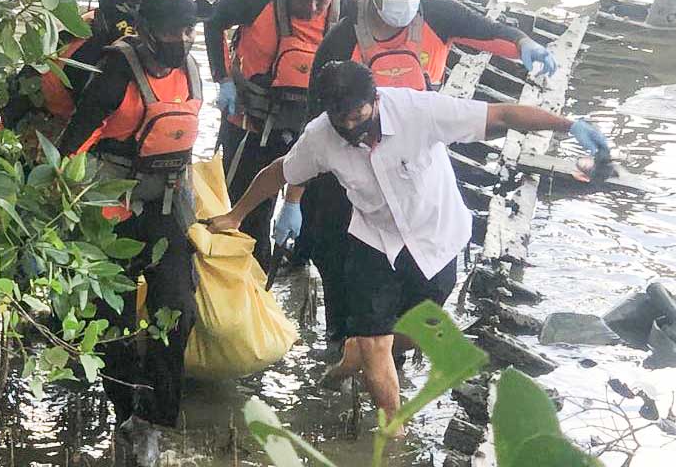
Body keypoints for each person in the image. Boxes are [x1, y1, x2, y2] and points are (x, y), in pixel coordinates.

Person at [206, 60, 609, 425]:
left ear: (375, 99)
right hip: (374, 241)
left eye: (358, 115)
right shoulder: (321, 136)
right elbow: (282, 171)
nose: (351, 127)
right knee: (376, 342)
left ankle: (354, 356)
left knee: (413, 333)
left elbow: (501, 114)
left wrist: (568, 126)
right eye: (340, 120)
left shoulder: (420, 111)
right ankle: (393, 432)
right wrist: (236, 215)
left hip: (437, 240)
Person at [291, 0, 560, 350]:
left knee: (420, 278)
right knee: (341, 269)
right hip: (351, 168)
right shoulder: (341, 42)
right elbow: (317, 126)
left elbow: (492, 35)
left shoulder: (434, 15)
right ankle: (343, 347)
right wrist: (296, 202)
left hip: (413, 156)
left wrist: (524, 45)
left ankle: (387, 354)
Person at [58, 0, 204, 429]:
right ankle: (125, 410)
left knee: (178, 310)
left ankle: (161, 418)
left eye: (188, 30)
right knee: (113, 322)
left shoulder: (192, 70)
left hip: (168, 208)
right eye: (170, 31)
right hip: (112, 214)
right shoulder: (115, 72)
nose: (180, 40)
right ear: (145, 31)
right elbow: (72, 147)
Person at [204, 0, 357, 267]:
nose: (312, 7)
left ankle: (294, 265)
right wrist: (223, 79)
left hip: (313, 127)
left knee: (312, 219)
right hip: (252, 123)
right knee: (246, 214)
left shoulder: (348, 8)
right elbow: (213, 20)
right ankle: (245, 280)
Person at [0, 0, 150, 155]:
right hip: (37, 125)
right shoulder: (89, 52)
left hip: (36, 109)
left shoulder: (98, 22)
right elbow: (86, 123)